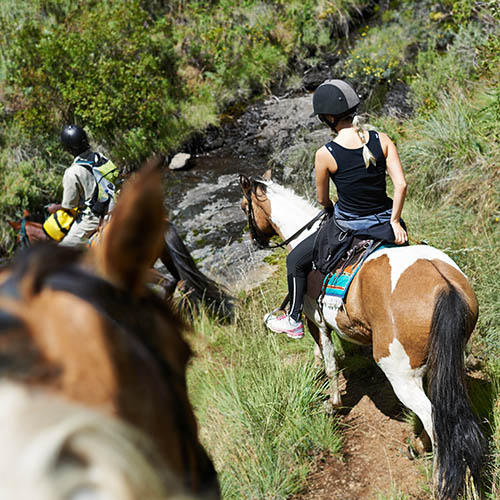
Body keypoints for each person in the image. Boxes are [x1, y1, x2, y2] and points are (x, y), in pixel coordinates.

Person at [265, 79, 408, 339]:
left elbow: (322, 200)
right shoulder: (382, 139)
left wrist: (331, 207)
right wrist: (395, 221)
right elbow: (401, 185)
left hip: (349, 227)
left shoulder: (325, 154)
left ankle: (294, 318)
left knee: (294, 260)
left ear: (328, 118)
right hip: (385, 223)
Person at [48, 125, 110, 248]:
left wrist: (55, 207)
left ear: (69, 149)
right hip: (118, 204)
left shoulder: (72, 172)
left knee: (64, 249)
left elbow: (70, 205)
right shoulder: (100, 157)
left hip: (96, 216)